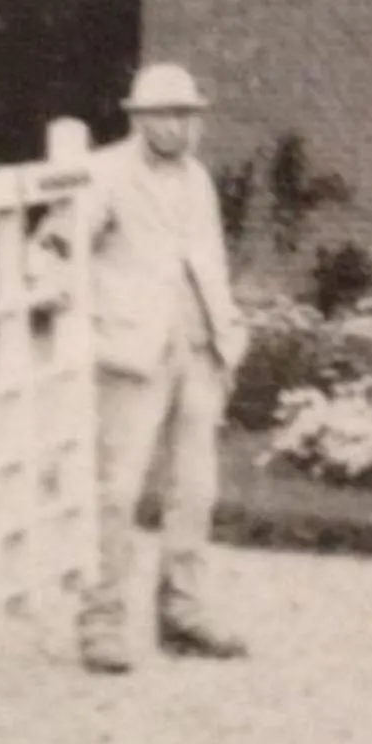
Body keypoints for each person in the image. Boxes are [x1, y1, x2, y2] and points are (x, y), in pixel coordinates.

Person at [71, 61, 251, 673]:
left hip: (197, 347)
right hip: (131, 350)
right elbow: (57, 249)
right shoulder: (103, 174)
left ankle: (183, 610)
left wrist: (227, 334)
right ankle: (101, 619)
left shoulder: (197, 179)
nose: (181, 126)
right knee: (117, 488)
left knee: (195, 489)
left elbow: (209, 260)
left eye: (189, 115)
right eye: (168, 114)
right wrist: (80, 318)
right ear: (139, 118)